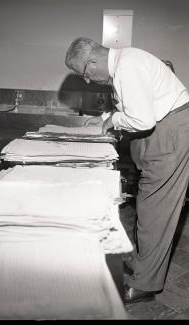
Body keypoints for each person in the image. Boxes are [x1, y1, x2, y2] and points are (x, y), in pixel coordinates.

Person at [65, 37, 189, 304]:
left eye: (84, 73)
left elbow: (142, 119)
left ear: (93, 60)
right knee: (147, 204)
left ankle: (144, 285)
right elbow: (134, 106)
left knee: (156, 209)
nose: (87, 80)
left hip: (171, 133)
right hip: (165, 130)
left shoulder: (127, 66)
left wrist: (111, 121)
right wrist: (104, 119)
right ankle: (141, 262)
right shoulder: (125, 62)